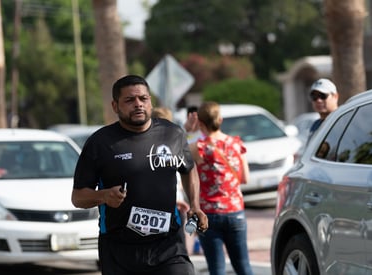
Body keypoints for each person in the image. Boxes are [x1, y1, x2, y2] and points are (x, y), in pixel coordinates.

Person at [71, 75, 208, 275]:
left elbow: (188, 169)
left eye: (143, 99)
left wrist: (195, 205)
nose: (138, 104)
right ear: (115, 106)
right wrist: (104, 196)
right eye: (129, 100)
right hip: (120, 249)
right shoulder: (99, 143)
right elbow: (78, 197)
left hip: (168, 244)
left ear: (150, 102)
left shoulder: (173, 134)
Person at [189, 101, 253, 275]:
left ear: (200, 123)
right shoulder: (236, 144)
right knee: (243, 266)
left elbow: (179, 152)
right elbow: (245, 178)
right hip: (235, 212)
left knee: (216, 269)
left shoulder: (198, 148)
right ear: (221, 119)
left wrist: (191, 130)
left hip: (208, 213)